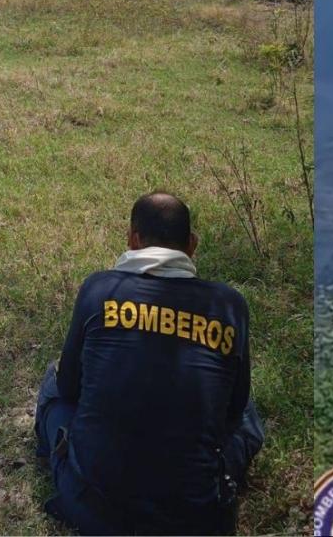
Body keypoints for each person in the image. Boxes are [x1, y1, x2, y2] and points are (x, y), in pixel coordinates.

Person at [34, 192, 264, 535]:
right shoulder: (229, 305)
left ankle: (55, 451)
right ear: (192, 245)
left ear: (132, 239)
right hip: (198, 519)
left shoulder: (100, 289)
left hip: (93, 507)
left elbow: (70, 387)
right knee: (247, 412)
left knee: (54, 386)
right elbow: (232, 413)